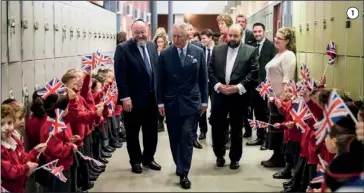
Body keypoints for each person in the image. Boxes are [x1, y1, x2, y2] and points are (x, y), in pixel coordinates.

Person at [155, 22, 208, 189]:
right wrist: (160, 102)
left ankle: (184, 171)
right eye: (174, 36)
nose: (176, 40)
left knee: (186, 136)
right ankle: (179, 163)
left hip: (192, 101)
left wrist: (205, 101)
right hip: (172, 102)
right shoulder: (165, 54)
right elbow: (159, 80)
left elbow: (203, 77)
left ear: (188, 36)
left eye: (180, 36)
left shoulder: (198, 52)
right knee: (174, 137)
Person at [208, 24, 258, 169]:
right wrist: (218, 86)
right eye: (230, 35)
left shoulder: (250, 51)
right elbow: (210, 69)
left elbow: (253, 72)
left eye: (236, 36)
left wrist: (238, 88)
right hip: (220, 94)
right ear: (226, 35)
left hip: (238, 96)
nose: (232, 38)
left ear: (241, 36)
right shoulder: (217, 50)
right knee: (217, 126)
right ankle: (219, 155)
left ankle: (235, 158)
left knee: (236, 128)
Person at [114, 19, 161, 174]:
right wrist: (125, 97)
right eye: (137, 33)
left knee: (151, 131)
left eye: (143, 32)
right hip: (132, 100)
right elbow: (120, 76)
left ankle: (148, 159)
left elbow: (156, 70)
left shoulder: (152, 46)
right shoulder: (123, 49)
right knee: (133, 132)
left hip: (151, 98)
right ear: (131, 32)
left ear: (147, 30)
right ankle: (135, 161)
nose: (140, 35)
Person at [262, 27, 297, 168]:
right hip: (273, 98)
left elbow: (286, 80)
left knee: (278, 130)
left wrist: (281, 101)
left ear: (287, 41)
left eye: (280, 38)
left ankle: (279, 158)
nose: (276, 40)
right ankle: (275, 156)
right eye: (276, 36)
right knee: (274, 129)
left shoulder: (288, 55)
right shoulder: (279, 54)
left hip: (280, 99)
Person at [246, 23, 276, 148]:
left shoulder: (271, 46)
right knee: (257, 113)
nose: (257, 34)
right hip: (253, 86)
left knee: (265, 113)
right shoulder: (251, 46)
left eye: (259, 31)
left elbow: (273, 67)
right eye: (255, 32)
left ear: (264, 32)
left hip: (265, 86)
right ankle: (259, 136)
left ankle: (266, 140)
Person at [198, 29, 215, 140]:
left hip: (214, 84)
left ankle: (215, 130)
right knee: (202, 107)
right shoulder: (200, 50)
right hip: (203, 83)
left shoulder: (218, 50)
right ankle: (203, 130)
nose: (202, 41)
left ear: (210, 38)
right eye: (201, 39)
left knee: (215, 107)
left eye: (204, 38)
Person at [153, 33, 169, 132]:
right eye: (158, 42)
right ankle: (156, 121)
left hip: (164, 79)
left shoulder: (166, 53)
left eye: (161, 42)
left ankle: (161, 122)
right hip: (154, 80)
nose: (160, 44)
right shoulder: (153, 52)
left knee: (162, 101)